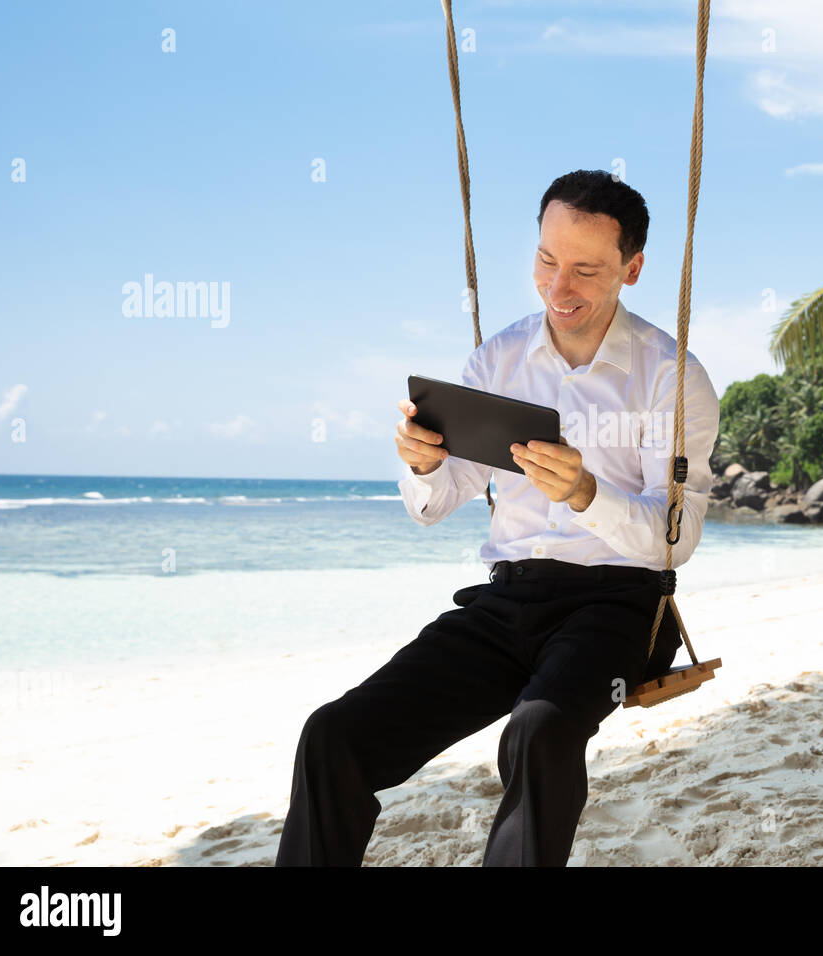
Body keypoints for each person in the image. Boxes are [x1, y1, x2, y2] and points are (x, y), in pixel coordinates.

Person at [274, 169, 720, 867]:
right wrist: (422, 462)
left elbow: (676, 540)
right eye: (546, 260)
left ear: (631, 269)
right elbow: (435, 504)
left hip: (619, 609)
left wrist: (585, 494)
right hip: (506, 602)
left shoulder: (670, 374)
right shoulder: (500, 358)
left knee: (537, 733)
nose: (558, 287)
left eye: (585, 270)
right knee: (334, 734)